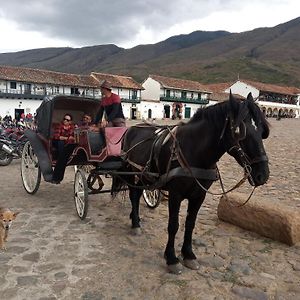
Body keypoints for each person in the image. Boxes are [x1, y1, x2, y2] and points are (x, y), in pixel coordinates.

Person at [51, 114, 76, 184]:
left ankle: (67, 156)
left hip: (67, 144)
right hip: (57, 142)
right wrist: (67, 138)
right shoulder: (59, 126)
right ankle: (61, 157)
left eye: (67, 120)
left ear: (70, 122)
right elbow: (57, 136)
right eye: (64, 119)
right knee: (61, 142)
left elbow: (73, 137)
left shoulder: (72, 128)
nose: (65, 121)